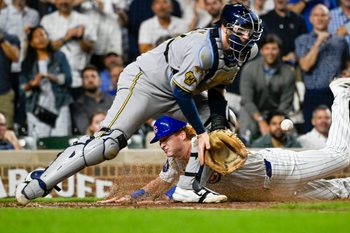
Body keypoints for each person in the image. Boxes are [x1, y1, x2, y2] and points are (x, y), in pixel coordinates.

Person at [15, 3, 263, 205]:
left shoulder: (246, 51)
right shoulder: (204, 49)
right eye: (239, 31)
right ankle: (40, 181)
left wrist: (215, 126)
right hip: (145, 82)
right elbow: (181, 92)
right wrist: (200, 132)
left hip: (178, 88)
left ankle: (189, 188)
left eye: (249, 33)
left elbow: (217, 88)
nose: (245, 37)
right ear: (223, 27)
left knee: (224, 123)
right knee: (108, 145)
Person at [101, 80, 350, 203]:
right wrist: (132, 197)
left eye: (165, 138)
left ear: (182, 134)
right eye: (159, 140)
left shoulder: (209, 143)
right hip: (269, 192)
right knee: (340, 191)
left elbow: (181, 188)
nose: (161, 144)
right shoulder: (175, 160)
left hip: (280, 170)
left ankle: (340, 92)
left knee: (341, 154)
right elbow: (162, 182)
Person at [295, 4, 350, 132]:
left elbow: (347, 62)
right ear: (310, 19)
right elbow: (305, 66)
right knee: (311, 133)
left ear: (329, 18)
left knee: (339, 133)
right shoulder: (302, 40)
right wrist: (318, 42)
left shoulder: (340, 41)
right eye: (316, 15)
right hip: (313, 93)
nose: (320, 18)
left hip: (336, 94)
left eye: (323, 15)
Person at [239, 34, 296, 143]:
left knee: (290, 137)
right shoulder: (249, 68)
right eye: (267, 48)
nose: (270, 52)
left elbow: (286, 102)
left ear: (279, 51)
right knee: (246, 136)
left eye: (274, 49)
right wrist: (261, 121)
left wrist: (275, 122)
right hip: (252, 110)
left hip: (278, 112)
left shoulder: (288, 72)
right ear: (261, 51)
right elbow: (247, 100)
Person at [20, 26, 73, 138]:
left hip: (59, 103)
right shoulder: (27, 63)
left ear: (48, 38)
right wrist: (32, 84)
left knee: (60, 141)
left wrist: (50, 76)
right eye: (36, 36)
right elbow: (22, 88)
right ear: (31, 43)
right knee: (39, 142)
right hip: (37, 107)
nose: (40, 38)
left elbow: (68, 79)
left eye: (43, 34)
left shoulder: (60, 56)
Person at [71, 65, 114, 135]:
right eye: (86, 77)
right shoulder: (78, 105)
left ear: (100, 80)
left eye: (93, 76)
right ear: (82, 82)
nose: (90, 80)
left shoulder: (113, 100)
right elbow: (84, 129)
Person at [0, 29, 20, 129]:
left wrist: (2, 40)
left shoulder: (10, 38)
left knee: (6, 131)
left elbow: (15, 57)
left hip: (4, 93)